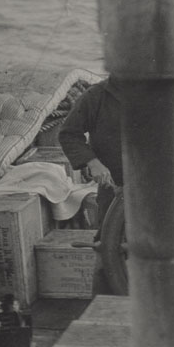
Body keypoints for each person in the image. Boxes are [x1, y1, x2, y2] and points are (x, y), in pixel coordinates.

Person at [59, 76, 123, 295]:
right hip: (113, 190)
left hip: (154, 190)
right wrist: (93, 162)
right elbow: (69, 134)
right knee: (109, 249)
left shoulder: (157, 93)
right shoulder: (96, 96)